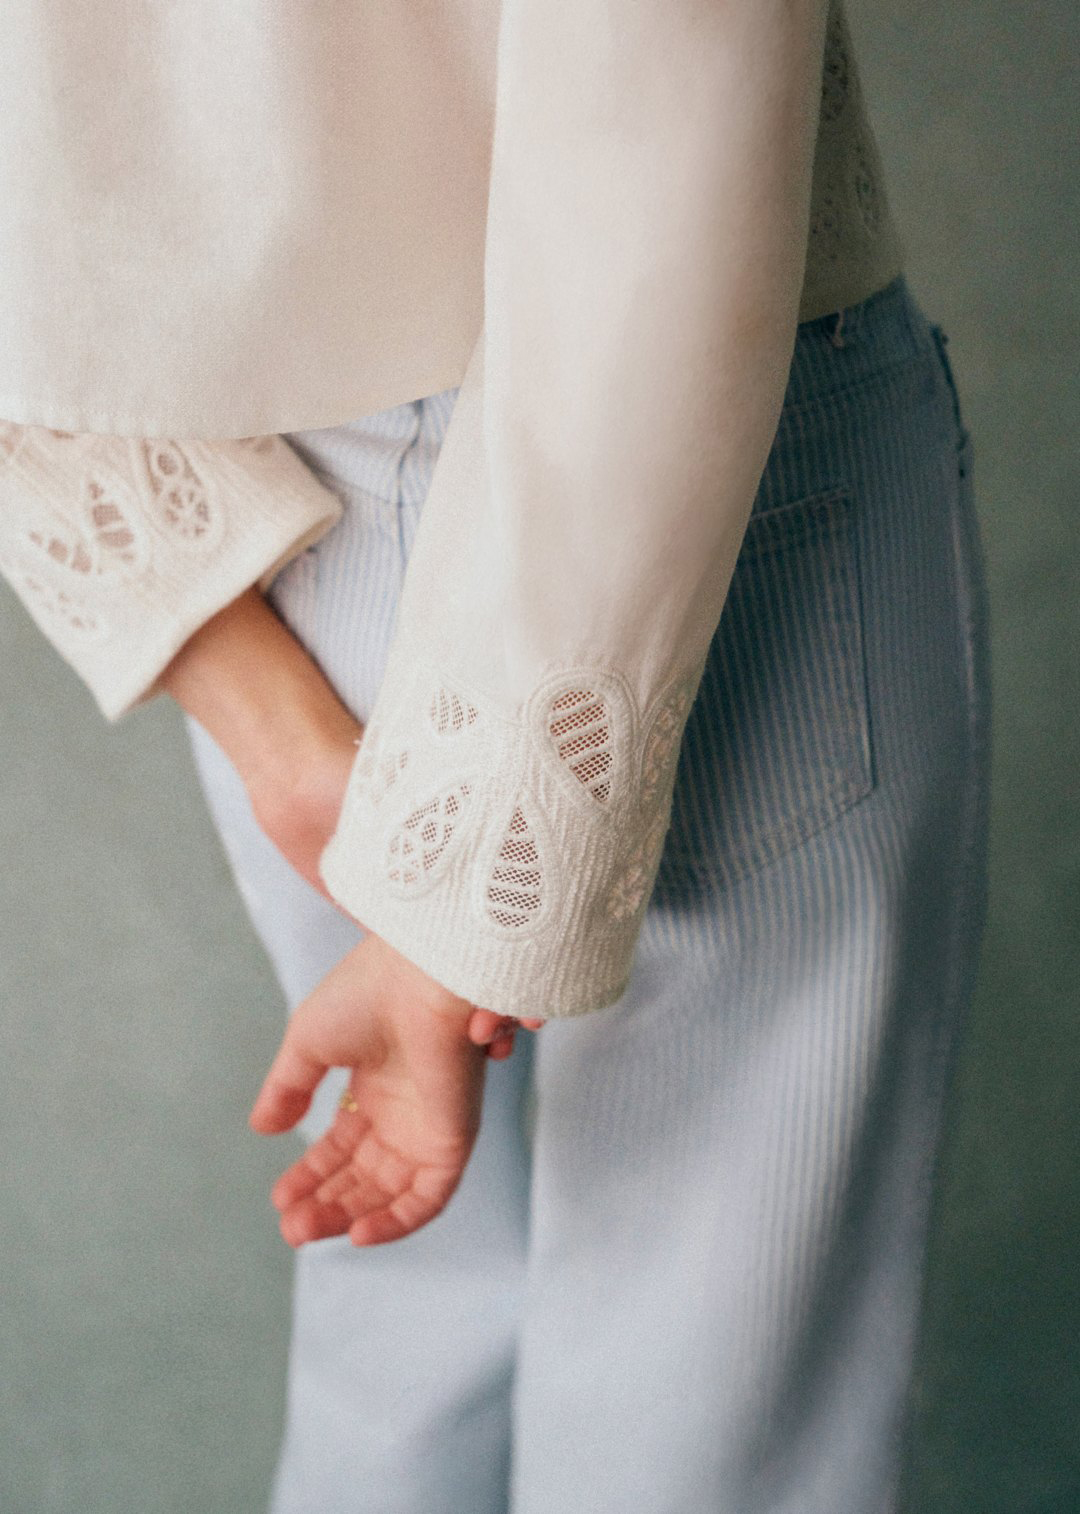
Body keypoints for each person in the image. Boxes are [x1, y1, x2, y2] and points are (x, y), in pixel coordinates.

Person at [0, 2, 991, 1509]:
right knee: (705, 1384)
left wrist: (256, 699)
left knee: (399, 1308)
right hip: (681, 497)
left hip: (282, 517)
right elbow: (663, 99)